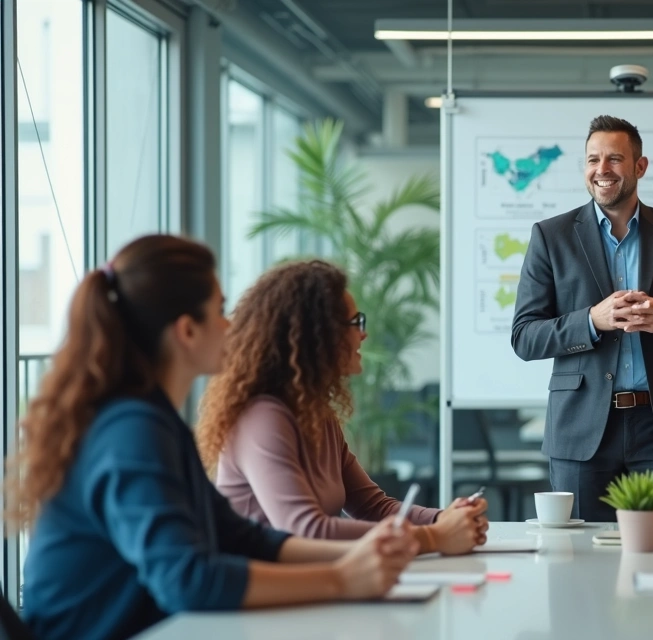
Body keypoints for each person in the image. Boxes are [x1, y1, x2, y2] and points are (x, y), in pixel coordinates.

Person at [10, 236, 418, 640]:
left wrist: (364, 557)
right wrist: (342, 579)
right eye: (221, 311)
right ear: (187, 330)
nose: (231, 325)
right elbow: (189, 580)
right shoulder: (131, 431)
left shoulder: (156, 421)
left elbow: (241, 537)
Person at [196, 260, 488, 554]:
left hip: (311, 586)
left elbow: (372, 506)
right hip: (268, 592)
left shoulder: (315, 411)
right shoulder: (262, 417)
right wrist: (434, 536)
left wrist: (444, 518)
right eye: (356, 322)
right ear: (318, 335)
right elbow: (307, 531)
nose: (364, 334)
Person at [511, 115, 653, 522]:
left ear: (639, 167)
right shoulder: (550, 236)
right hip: (582, 427)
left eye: (614, 159)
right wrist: (592, 319)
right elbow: (525, 337)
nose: (601, 170)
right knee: (580, 567)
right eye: (592, 160)